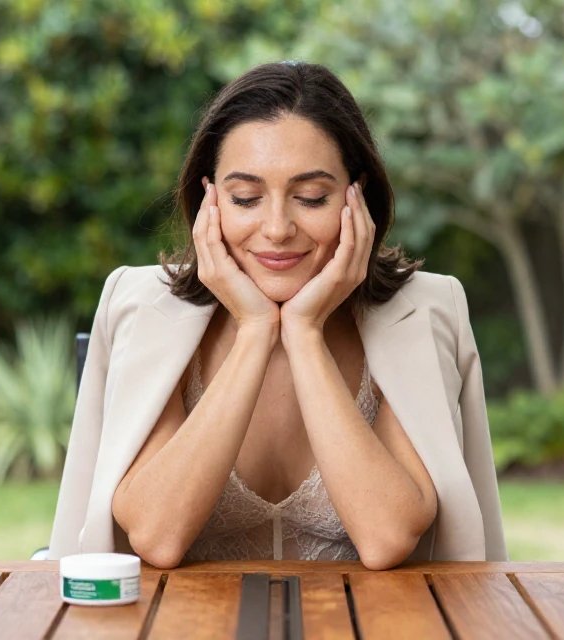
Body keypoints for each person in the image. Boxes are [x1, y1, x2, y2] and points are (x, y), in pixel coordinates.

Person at [48, 61, 506, 570]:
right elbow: (158, 536)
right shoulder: (142, 305)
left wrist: (305, 332)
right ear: (209, 201)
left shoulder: (424, 312)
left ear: (358, 198)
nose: (276, 228)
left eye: (311, 197)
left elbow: (387, 537)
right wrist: (256, 329)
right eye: (245, 197)